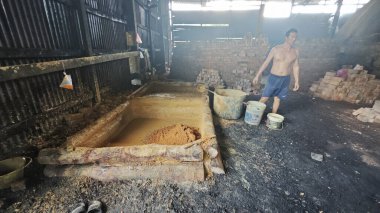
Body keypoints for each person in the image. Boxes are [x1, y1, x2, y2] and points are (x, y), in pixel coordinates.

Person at [252, 28, 300, 114]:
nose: (294, 39)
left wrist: (297, 81)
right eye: (292, 37)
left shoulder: (295, 51)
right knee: (265, 98)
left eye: (295, 37)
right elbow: (266, 62)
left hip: (286, 79)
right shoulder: (276, 49)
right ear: (286, 37)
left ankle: (272, 117)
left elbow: (296, 66)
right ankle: (253, 114)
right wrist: (257, 75)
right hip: (274, 78)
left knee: (277, 99)